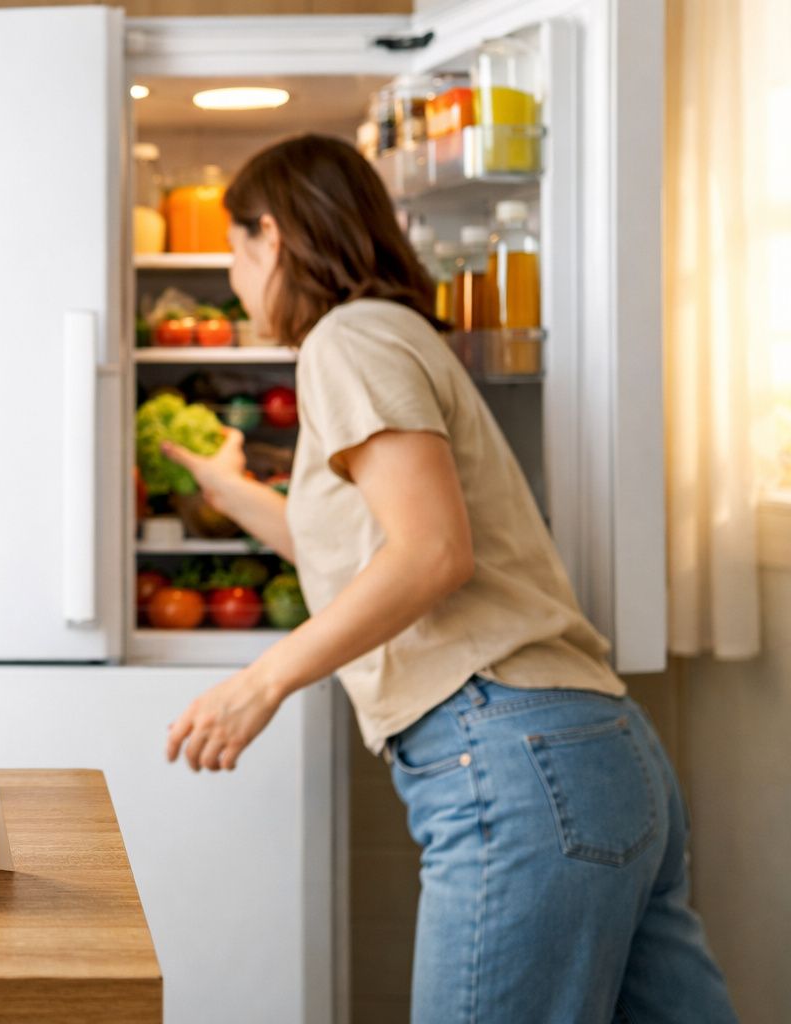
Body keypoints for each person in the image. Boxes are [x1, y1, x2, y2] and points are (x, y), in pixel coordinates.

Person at [160, 133, 736, 1024]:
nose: (236, 283)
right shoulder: (393, 334)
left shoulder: (344, 340)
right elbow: (366, 551)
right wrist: (229, 490)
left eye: (234, 256)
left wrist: (260, 682)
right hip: (602, 750)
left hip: (509, 748)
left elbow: (431, 553)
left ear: (269, 237)